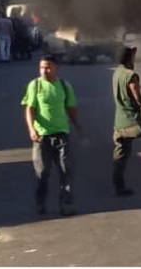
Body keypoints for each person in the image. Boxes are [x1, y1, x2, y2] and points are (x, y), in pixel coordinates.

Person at [21, 54, 84, 216]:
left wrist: (78, 128)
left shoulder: (64, 86)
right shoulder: (35, 85)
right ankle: (40, 202)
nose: (45, 71)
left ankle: (66, 204)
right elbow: (29, 109)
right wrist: (31, 129)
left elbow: (71, 109)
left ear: (56, 68)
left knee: (66, 171)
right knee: (42, 173)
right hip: (42, 137)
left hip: (62, 135)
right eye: (42, 67)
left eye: (48, 67)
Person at [112, 45, 141, 196]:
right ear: (129, 58)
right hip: (130, 121)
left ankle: (118, 185)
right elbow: (137, 97)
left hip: (118, 122)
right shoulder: (131, 75)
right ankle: (119, 185)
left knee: (120, 155)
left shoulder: (117, 73)